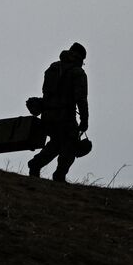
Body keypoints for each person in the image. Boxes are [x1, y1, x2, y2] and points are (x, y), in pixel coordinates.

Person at [26, 41, 88, 181]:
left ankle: (35, 164)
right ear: (81, 58)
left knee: (56, 143)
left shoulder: (53, 68)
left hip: (48, 116)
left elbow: (47, 92)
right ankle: (59, 175)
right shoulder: (78, 73)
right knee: (70, 145)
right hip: (65, 116)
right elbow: (81, 99)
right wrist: (84, 120)